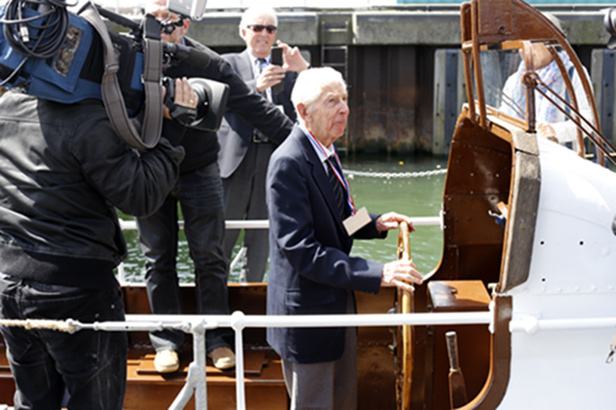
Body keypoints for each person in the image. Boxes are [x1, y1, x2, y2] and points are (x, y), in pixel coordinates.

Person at [0, 75, 194, 408]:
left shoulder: (6, 107)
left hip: (9, 280)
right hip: (77, 289)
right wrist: (171, 128)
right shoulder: (86, 118)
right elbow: (141, 197)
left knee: (33, 402)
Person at [138, 0, 295, 373]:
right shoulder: (127, 60)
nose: (160, 26)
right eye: (153, 18)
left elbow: (258, 110)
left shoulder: (209, 63)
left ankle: (216, 339)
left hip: (199, 168)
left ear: (186, 25)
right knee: (157, 258)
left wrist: (312, 149)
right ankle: (167, 341)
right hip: (148, 165)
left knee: (210, 256)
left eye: (168, 20)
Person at [265, 67, 424, 410]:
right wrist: (378, 272)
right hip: (308, 314)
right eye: (332, 101)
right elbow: (301, 249)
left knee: (341, 400)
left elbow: (338, 220)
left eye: (345, 99)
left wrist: (375, 223)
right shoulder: (289, 163)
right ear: (304, 111)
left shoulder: (324, 151)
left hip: (334, 303)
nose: (344, 109)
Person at [218, 7, 309, 283]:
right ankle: (214, 303)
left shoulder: (288, 71)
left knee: (260, 241)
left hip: (273, 160)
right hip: (235, 161)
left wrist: (303, 70)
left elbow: (319, 99)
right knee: (223, 236)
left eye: (270, 29)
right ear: (243, 31)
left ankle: (251, 302)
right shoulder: (227, 64)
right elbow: (217, 97)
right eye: (258, 28)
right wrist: (253, 86)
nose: (264, 34)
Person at [499, 15, 593, 153]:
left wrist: (555, 131)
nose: (522, 49)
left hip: (563, 162)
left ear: (551, 44)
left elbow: (588, 121)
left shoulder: (574, 74)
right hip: (522, 159)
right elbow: (504, 120)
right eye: (520, 43)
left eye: (531, 41)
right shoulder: (514, 81)